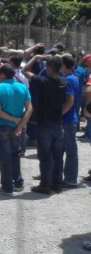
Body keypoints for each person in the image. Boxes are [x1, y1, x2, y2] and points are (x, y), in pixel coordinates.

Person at [23, 55, 69, 194]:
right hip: (58, 123)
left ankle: (45, 185)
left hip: (44, 123)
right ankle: (57, 183)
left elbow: (25, 70)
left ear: (48, 67)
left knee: (45, 156)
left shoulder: (42, 81)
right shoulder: (64, 82)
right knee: (57, 156)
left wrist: (36, 57)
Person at [0, 64, 32, 195]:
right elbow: (30, 108)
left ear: (2, 74)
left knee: (4, 156)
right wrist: (20, 124)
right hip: (17, 127)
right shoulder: (23, 87)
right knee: (15, 154)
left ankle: (7, 186)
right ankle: (18, 182)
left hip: (2, 126)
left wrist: (13, 120)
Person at [59, 54, 80, 188]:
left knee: (70, 151)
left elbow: (70, 100)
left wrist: (59, 113)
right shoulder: (73, 78)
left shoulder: (68, 80)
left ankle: (70, 179)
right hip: (70, 120)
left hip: (67, 120)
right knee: (63, 149)